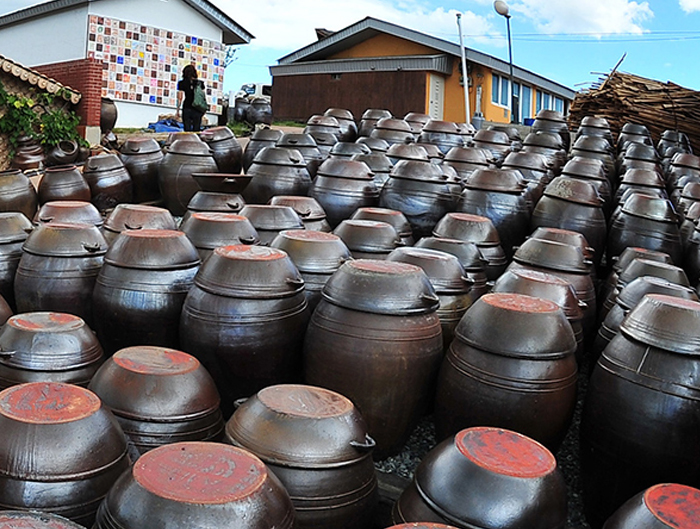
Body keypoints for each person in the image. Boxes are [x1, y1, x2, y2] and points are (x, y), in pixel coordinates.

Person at [176, 64, 205, 132]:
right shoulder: (200, 83)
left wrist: (178, 110)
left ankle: (188, 142)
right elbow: (203, 97)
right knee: (197, 131)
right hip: (197, 108)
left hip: (187, 108)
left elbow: (180, 97)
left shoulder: (181, 83)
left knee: (187, 131)